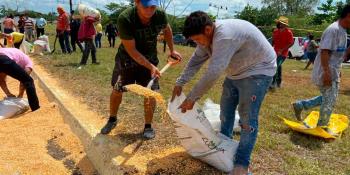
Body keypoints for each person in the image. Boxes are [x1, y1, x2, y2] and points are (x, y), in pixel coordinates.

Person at [171, 11, 276, 175]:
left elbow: (214, 72)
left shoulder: (224, 36)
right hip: (236, 72)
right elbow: (195, 61)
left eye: (198, 39)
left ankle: (241, 164)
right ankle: (222, 150)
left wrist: (192, 98)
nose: (198, 44)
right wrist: (180, 82)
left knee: (248, 120)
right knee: (226, 114)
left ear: (207, 30)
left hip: (258, 70)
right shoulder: (206, 38)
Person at [100, 0, 183, 139]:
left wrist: (172, 50)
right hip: (126, 60)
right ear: (137, 2)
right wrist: (150, 66)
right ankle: (112, 119)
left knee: (151, 93)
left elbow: (167, 29)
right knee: (117, 89)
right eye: (146, 6)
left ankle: (148, 126)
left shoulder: (160, 15)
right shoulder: (125, 18)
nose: (150, 11)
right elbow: (131, 50)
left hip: (150, 58)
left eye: (153, 6)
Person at [292, 5, 350, 136]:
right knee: (330, 99)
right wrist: (327, 73)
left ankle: (300, 105)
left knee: (328, 97)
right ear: (348, 15)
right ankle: (322, 127)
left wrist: (337, 69)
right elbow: (324, 52)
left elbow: (337, 54)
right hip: (325, 71)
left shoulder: (343, 31)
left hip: (333, 70)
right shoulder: (333, 30)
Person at [270, 16, 294, 90]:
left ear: (285, 25)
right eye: (279, 23)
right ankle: (278, 82)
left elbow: (291, 43)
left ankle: (274, 83)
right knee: (277, 66)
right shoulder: (275, 31)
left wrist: (282, 50)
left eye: (282, 23)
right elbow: (273, 41)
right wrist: (270, 48)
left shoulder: (288, 32)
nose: (280, 24)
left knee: (276, 66)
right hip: (275, 52)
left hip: (283, 53)